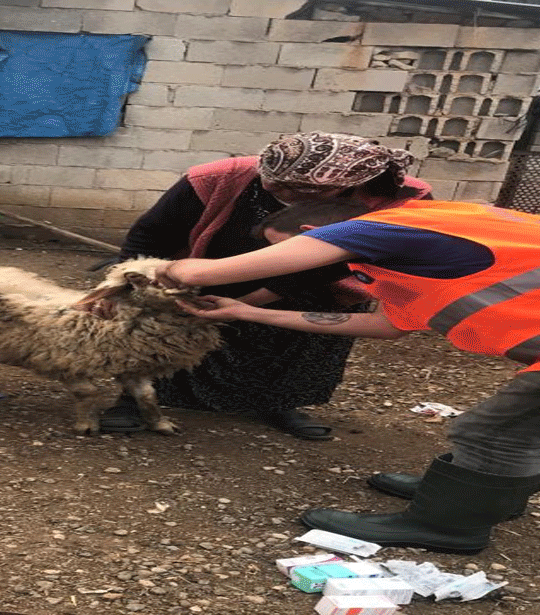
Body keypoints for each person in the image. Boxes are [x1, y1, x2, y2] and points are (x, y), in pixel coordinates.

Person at [160, 197, 540, 554]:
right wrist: (245, 310)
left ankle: (448, 523)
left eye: (294, 246)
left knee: (497, 430)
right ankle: (479, 493)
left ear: (314, 232)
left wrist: (172, 273)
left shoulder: (383, 229)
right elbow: (386, 327)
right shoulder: (433, 245)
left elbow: (209, 271)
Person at [99, 131, 432, 440]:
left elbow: (335, 268)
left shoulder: (400, 201)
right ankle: (135, 397)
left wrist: (255, 301)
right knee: (163, 325)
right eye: (271, 180)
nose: (275, 189)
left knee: (300, 334)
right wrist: (129, 284)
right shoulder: (218, 178)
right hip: (208, 267)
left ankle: (278, 401)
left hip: (320, 281)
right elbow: (151, 235)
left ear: (351, 185)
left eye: (295, 188)